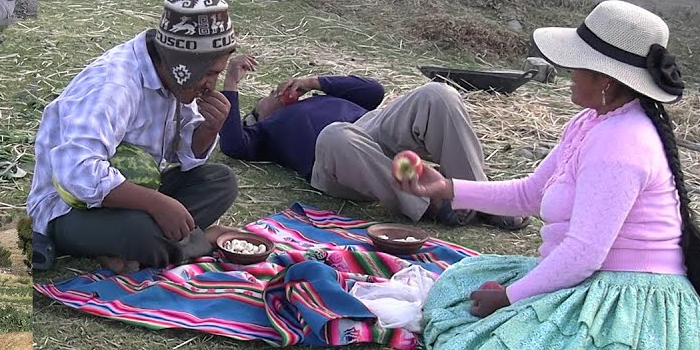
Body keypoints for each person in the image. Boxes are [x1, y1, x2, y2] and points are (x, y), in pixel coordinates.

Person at [396, 0, 700, 350]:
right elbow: (531, 193)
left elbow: (584, 253)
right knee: (458, 289)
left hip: (627, 301)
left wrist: (509, 297)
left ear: (606, 79)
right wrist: (446, 188)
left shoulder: (622, 145)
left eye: (578, 66)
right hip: (592, 278)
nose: (568, 74)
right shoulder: (591, 122)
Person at [27, 0, 240, 272]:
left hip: (132, 193)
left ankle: (127, 246)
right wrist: (156, 204)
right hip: (70, 208)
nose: (211, 84)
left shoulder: (177, 79)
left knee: (221, 182)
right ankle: (202, 241)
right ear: (185, 65)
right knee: (142, 232)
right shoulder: (113, 84)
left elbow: (182, 152)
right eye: (210, 74)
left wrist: (208, 130)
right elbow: (78, 170)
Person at [218, 57, 527, 230]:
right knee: (335, 134)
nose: (276, 93)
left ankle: (477, 195)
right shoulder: (265, 133)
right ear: (255, 118)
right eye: (268, 98)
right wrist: (231, 82)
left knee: (437, 93)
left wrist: (314, 82)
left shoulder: (322, 97)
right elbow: (232, 145)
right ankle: (432, 202)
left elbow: (373, 90)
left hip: (372, 129)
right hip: (335, 159)